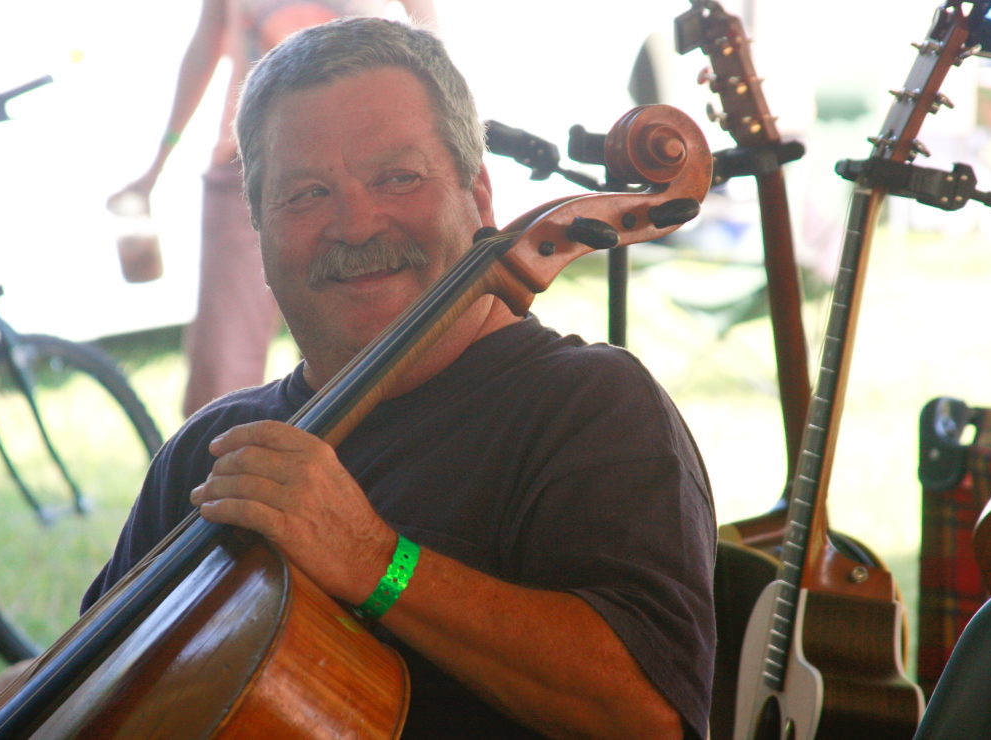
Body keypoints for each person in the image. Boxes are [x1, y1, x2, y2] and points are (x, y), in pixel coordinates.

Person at [86, 17, 716, 740]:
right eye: (306, 193)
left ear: (478, 195)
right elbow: (93, 691)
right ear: (258, 224)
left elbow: (648, 716)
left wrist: (374, 561)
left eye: (398, 178)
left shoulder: (590, 406)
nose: (355, 224)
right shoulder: (216, 449)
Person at [108, 0, 438, 418]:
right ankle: (222, 455)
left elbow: (429, 40)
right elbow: (204, 49)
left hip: (365, 163)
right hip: (246, 169)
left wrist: (445, 146)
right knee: (222, 363)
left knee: (369, 350)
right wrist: (157, 165)